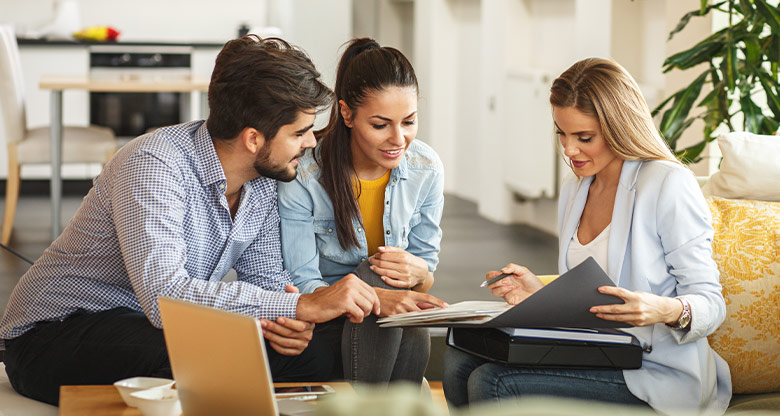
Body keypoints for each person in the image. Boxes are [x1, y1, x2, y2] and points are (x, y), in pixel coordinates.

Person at [0, 35, 381, 405]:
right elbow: (164, 296)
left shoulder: (264, 181)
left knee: (322, 350)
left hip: (149, 326)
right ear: (253, 139)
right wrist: (300, 308)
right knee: (209, 355)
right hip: (54, 333)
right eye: (299, 132)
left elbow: (268, 284)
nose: (312, 142)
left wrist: (287, 324)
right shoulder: (154, 163)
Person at [442, 58, 732, 414]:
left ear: (619, 127)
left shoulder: (667, 185)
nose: (568, 150)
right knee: (459, 361)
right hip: (596, 353)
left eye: (584, 137)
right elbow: (592, 296)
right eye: (561, 133)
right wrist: (540, 291)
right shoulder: (576, 189)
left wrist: (664, 310)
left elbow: (711, 304)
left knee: (492, 381)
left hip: (655, 371)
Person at [277, 38, 447, 384]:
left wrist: (418, 273)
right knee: (373, 275)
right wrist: (377, 296)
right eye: (381, 125)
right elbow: (302, 282)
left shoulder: (426, 168)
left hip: (390, 318)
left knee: (402, 304)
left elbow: (424, 274)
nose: (398, 139)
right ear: (347, 114)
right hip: (328, 314)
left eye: (409, 122)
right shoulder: (306, 175)